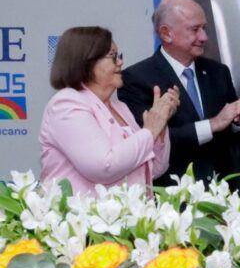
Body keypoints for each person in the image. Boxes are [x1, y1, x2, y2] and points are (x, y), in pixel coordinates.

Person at [118, 0, 240, 186]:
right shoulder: (136, 79)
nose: (204, 37)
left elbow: (237, 136)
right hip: (175, 198)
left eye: (204, 28)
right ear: (166, 34)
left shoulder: (217, 72)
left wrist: (239, 120)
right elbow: (149, 141)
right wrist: (214, 123)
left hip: (226, 189)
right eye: (195, 29)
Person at [40, 26, 179, 195]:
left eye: (119, 56)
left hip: (131, 217)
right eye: (113, 56)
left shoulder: (120, 107)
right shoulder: (66, 104)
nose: (120, 62)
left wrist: (161, 126)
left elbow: (154, 169)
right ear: (86, 61)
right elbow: (104, 167)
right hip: (83, 219)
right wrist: (150, 130)